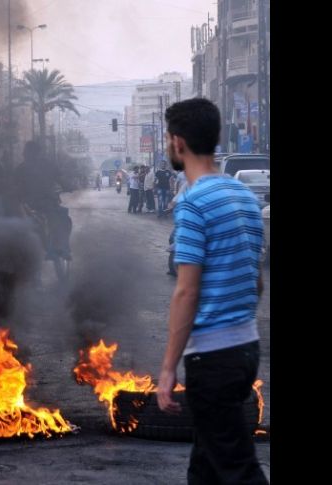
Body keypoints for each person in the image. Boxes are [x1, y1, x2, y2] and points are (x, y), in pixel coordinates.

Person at [156, 98, 268, 484]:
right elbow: (256, 282)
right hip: (244, 350)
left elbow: (186, 293)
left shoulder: (193, 203)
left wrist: (169, 368)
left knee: (237, 469)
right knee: (205, 466)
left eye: (169, 138)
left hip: (214, 358)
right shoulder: (247, 200)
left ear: (178, 142)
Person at [14, 141, 73, 261]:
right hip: (46, 203)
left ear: (27, 153)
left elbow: (14, 187)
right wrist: (69, 186)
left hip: (26, 205)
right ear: (39, 152)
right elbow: (61, 180)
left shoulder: (20, 168)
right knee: (63, 219)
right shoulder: (48, 165)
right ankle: (62, 248)